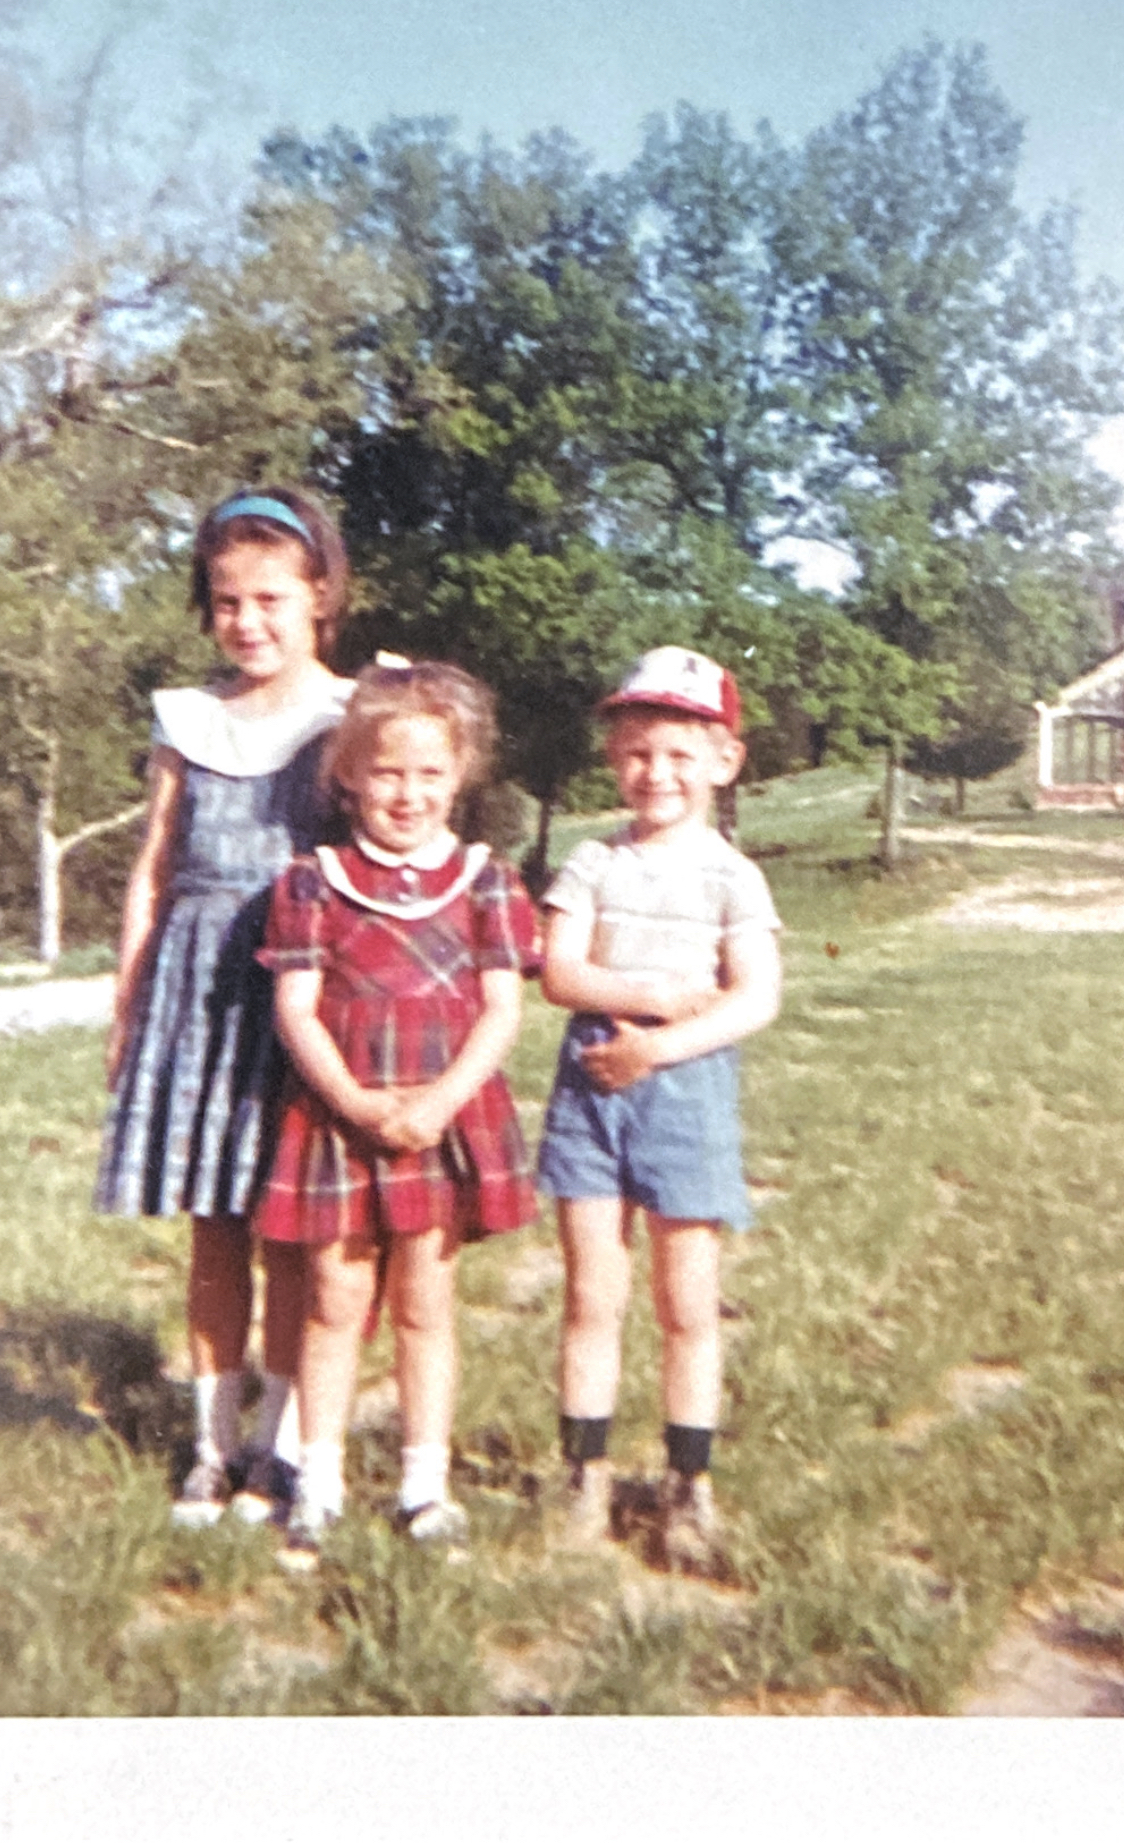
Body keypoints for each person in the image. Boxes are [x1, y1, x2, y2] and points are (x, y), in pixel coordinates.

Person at [94, 488, 353, 1528]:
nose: (248, 621)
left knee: (288, 1224)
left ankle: (280, 1443)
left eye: (271, 599)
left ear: (320, 596)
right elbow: (152, 869)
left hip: (301, 989)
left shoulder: (351, 715)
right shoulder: (188, 721)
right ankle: (211, 1441)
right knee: (214, 1225)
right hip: (197, 986)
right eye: (226, 601)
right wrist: (127, 999)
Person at [254, 661, 541, 1560]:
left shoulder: (487, 881)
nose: (407, 794)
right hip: (340, 1120)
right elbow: (296, 1008)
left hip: (445, 1118)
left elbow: (502, 1008)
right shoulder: (313, 881)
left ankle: (425, 1487)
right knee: (334, 1302)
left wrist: (439, 1104)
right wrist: (355, 1101)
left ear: (460, 776)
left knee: (426, 1303)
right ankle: (319, 1482)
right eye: (386, 772)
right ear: (347, 776)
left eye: (428, 774)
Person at [536, 647, 783, 1574]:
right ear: (614, 758)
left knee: (688, 1305)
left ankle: (689, 1486)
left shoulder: (732, 878)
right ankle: (585, 1477)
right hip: (594, 1083)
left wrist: (660, 1044)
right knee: (593, 1294)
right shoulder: (594, 860)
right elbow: (561, 971)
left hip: (685, 1088)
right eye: (639, 753)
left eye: (682, 753)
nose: (658, 774)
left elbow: (755, 997)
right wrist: (642, 998)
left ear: (726, 760)